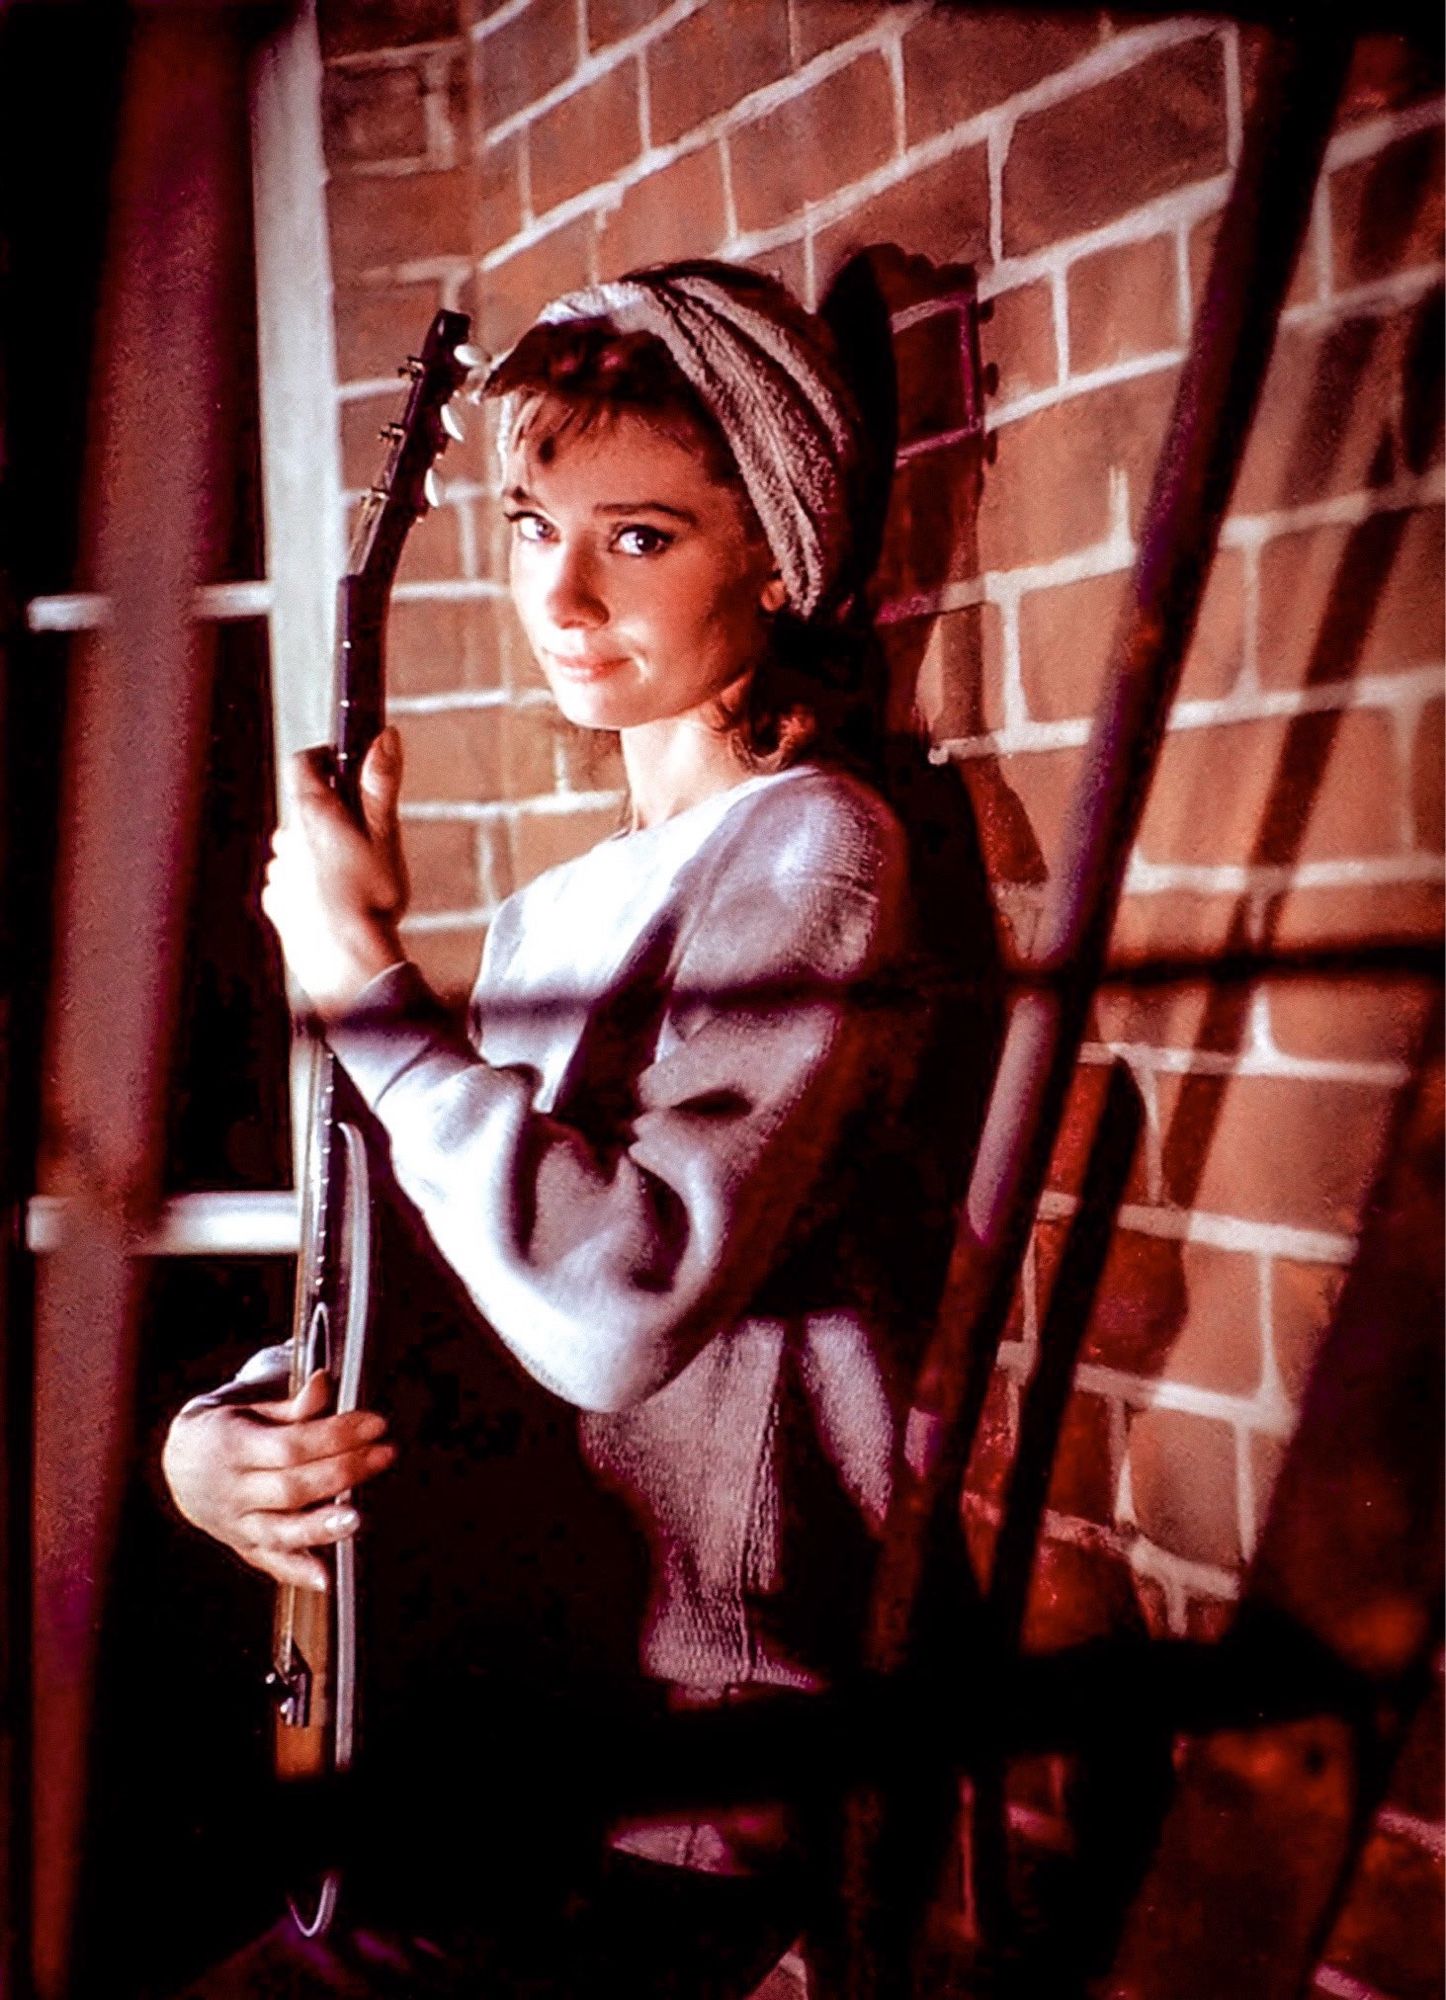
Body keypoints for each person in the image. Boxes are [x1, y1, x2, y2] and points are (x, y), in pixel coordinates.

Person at [160, 260, 981, 1997]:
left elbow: (610, 1314)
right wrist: (222, 1439)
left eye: (640, 537)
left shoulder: (809, 853)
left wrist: (364, 984)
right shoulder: (552, 918)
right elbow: (457, 1305)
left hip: (682, 1775)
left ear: (775, 551)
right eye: (535, 522)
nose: (561, 590)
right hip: (510, 1708)